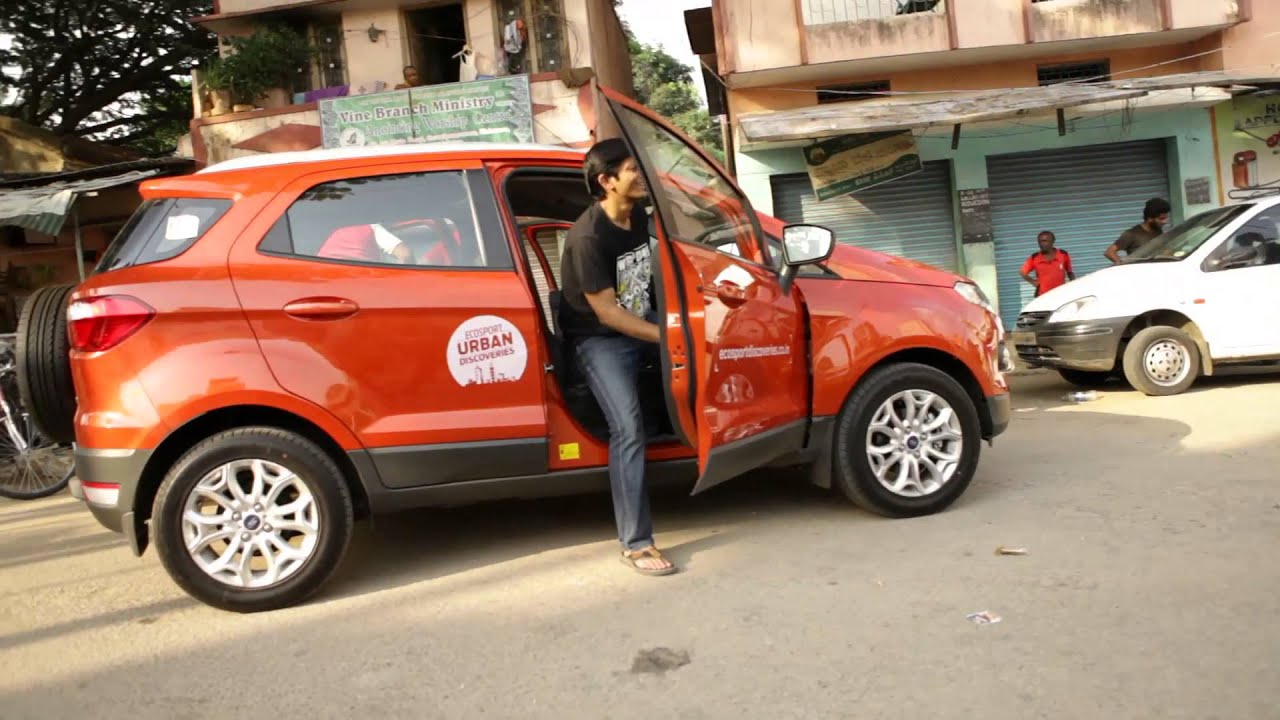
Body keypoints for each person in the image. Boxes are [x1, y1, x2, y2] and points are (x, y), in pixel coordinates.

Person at [558, 138, 676, 577]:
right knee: (627, 428)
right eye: (632, 169)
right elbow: (607, 314)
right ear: (606, 182)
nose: (640, 175)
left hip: (642, 323)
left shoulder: (640, 215)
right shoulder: (589, 236)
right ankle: (636, 542)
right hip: (599, 340)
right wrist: (669, 337)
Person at [1105, 197, 1170, 264]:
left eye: (1166, 218)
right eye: (1161, 218)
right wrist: (1123, 265)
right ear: (1150, 218)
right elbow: (1109, 252)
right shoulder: (1131, 234)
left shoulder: (1158, 231)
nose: (1165, 221)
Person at [1020, 231, 1075, 297]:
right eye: (1039, 242)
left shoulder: (1063, 254)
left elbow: (1070, 273)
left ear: (1052, 241)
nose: (1041, 244)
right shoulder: (1035, 257)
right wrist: (1032, 282)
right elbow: (1022, 272)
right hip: (1043, 297)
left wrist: (1074, 287)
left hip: (1061, 295)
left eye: (1044, 241)